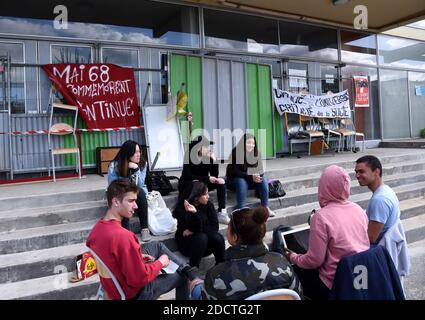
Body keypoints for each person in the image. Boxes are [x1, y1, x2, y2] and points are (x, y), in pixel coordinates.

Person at [86, 179, 200, 300]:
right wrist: (160, 263)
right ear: (115, 202)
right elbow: (140, 279)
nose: (136, 206)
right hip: (135, 293)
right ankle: (187, 274)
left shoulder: (96, 230)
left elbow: (112, 256)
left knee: (156, 245)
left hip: (113, 286)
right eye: (131, 201)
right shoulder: (124, 236)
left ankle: (186, 268)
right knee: (182, 277)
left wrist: (138, 257)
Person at [285, 165, 369, 300]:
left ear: (324, 187)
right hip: (360, 277)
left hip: (334, 283)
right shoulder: (358, 209)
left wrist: (293, 257)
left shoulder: (321, 217)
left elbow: (314, 261)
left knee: (295, 272)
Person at [197, 206, 302, 300]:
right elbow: (298, 295)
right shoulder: (281, 261)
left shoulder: (215, 276)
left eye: (228, 228)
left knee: (196, 287)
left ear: (234, 237)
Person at [173, 180, 225, 268]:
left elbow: (214, 227)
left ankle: (220, 265)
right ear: (196, 197)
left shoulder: (208, 205)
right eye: (205, 194)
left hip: (206, 247)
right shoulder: (183, 208)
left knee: (218, 237)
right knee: (201, 237)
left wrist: (193, 231)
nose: (208, 197)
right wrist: (194, 213)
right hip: (188, 245)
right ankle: (193, 268)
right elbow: (193, 229)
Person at [179, 135, 229, 224]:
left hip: (203, 183)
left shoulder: (207, 157)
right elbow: (188, 175)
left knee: (221, 182)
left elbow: (215, 175)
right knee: (195, 183)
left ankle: (222, 211)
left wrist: (214, 161)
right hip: (188, 183)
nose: (208, 149)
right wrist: (207, 178)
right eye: (205, 146)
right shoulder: (188, 156)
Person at [107, 140, 150, 241]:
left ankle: (145, 229)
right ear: (128, 153)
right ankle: (126, 231)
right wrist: (126, 175)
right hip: (119, 193)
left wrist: (136, 170)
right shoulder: (115, 165)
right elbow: (113, 186)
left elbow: (140, 184)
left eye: (139, 151)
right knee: (125, 196)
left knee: (140, 192)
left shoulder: (143, 164)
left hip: (138, 194)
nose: (138, 154)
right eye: (135, 152)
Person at [226, 133, 275, 217]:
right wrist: (250, 176)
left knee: (263, 178)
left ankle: (265, 207)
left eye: (253, 143)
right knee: (241, 180)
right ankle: (241, 208)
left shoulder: (257, 153)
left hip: (250, 181)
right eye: (248, 142)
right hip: (234, 182)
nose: (251, 145)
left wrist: (257, 176)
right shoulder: (236, 152)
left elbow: (261, 170)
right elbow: (235, 172)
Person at [355, 155, 401, 244]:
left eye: (361, 172)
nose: (357, 175)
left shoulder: (380, 200)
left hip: (380, 252)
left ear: (376, 171)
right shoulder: (386, 190)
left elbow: (370, 238)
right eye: (356, 172)